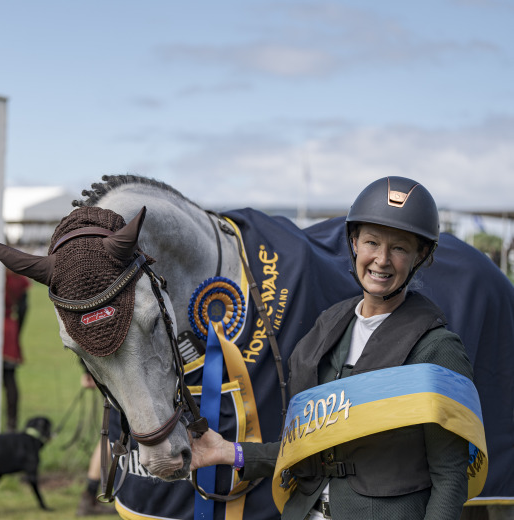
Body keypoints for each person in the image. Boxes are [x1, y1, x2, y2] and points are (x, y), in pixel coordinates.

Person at [189, 177, 477, 520]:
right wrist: (229, 452)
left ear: (421, 255)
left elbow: (450, 476)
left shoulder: (438, 349)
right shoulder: (328, 328)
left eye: (399, 248)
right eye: (371, 242)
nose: (381, 260)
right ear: (354, 243)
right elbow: (311, 447)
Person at [76, 368, 117, 517]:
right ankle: (89, 497)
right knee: (112, 436)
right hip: (119, 378)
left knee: (111, 436)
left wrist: (89, 371)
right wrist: (90, 371)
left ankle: (89, 497)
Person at [3, 268, 30, 432]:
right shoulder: (17, 278)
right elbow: (23, 308)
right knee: (9, 379)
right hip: (10, 328)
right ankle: (11, 425)